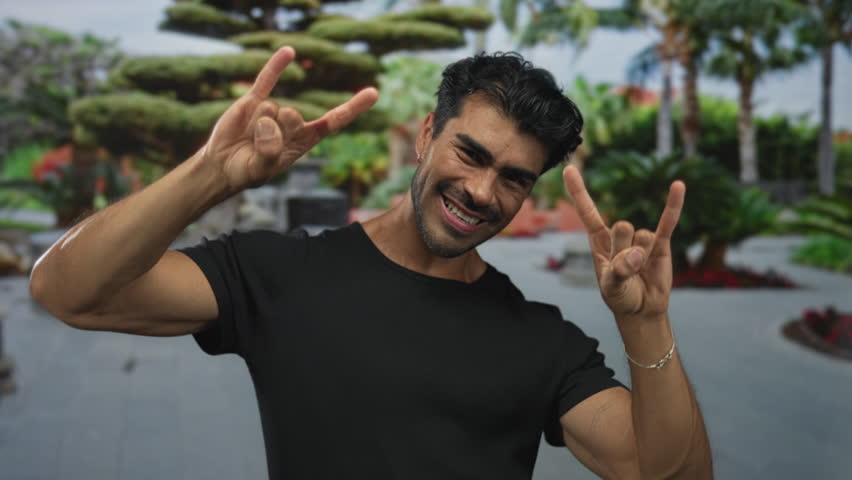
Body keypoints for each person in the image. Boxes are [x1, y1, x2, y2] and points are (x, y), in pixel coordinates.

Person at [30, 47, 713, 479]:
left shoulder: (542, 340)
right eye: (470, 154)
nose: (482, 191)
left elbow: (670, 474)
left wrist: (646, 322)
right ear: (425, 135)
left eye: (514, 177)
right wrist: (212, 174)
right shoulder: (279, 273)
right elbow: (69, 292)